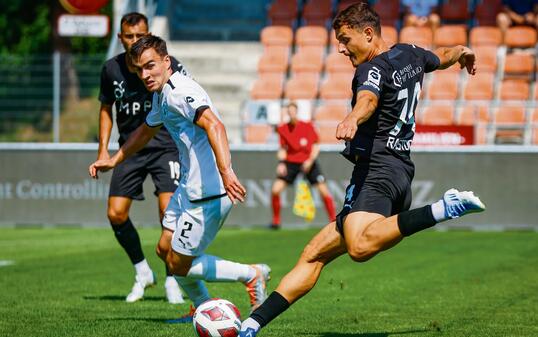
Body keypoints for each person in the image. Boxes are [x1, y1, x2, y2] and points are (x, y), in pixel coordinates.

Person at [239, 3, 485, 336]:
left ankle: (444, 208)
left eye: (345, 39)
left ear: (368, 34)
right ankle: (252, 325)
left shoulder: (371, 68)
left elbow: (367, 99)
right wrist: (463, 51)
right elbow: (441, 56)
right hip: (395, 174)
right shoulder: (411, 54)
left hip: (378, 172)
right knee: (313, 254)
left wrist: (352, 118)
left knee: (358, 248)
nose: (340, 48)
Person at [89, 35, 270, 320]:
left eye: (150, 66)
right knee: (164, 249)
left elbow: (215, 125)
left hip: (208, 192)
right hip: (188, 189)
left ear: (166, 61)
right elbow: (145, 132)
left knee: (178, 263)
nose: (145, 74)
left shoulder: (178, 90)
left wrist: (226, 171)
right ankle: (202, 309)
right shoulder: (162, 93)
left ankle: (251, 274)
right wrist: (114, 158)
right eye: (139, 69)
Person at [97, 12, 193, 304]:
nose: (135, 41)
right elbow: (105, 108)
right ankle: (142, 272)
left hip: (165, 145)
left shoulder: (167, 64)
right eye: (130, 36)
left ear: (148, 34)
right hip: (130, 148)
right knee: (115, 213)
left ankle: (172, 278)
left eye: (141, 35)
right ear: (121, 37)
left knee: (168, 213)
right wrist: (104, 149)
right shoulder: (111, 69)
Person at [270, 101, 336, 229]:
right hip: (291, 162)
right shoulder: (283, 129)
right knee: (275, 190)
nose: (291, 114)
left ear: (297, 112)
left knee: (324, 191)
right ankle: (276, 220)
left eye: (293, 111)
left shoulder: (307, 126)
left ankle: (333, 220)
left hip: (308, 161)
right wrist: (282, 163)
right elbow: (282, 148)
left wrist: (310, 161)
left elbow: (316, 146)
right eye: (289, 112)